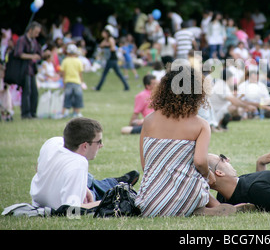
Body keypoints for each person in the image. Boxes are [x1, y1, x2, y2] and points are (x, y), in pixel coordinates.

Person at [135, 64, 241, 217]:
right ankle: (212, 207)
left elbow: (146, 165)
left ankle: (210, 208)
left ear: (164, 89)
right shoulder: (201, 125)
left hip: (149, 203)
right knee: (197, 175)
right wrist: (208, 175)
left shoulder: (148, 120)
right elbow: (199, 162)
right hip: (185, 197)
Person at [30, 117, 140, 210]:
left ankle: (111, 183)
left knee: (87, 179)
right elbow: (72, 210)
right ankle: (112, 184)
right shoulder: (78, 164)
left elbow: (38, 168)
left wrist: (83, 187)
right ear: (85, 146)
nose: (101, 145)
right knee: (91, 183)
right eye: (99, 142)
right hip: (54, 203)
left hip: (38, 200)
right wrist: (107, 201)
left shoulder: (53, 142)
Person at [14, 22, 43, 119]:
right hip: (24, 69)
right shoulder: (22, 40)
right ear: (30, 30)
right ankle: (25, 114)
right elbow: (18, 53)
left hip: (32, 69)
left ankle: (33, 113)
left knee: (34, 92)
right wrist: (32, 56)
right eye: (36, 32)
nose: (37, 35)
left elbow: (39, 52)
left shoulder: (34, 41)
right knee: (27, 91)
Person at [94, 26, 130, 91]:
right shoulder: (106, 40)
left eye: (104, 32)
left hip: (112, 59)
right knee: (118, 74)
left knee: (104, 74)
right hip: (110, 59)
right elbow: (100, 45)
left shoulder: (111, 39)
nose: (102, 33)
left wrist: (106, 45)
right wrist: (105, 44)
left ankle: (98, 88)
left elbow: (113, 48)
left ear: (107, 33)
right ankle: (127, 86)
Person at [60, 44, 84, 118]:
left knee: (67, 97)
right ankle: (77, 112)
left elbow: (63, 73)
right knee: (77, 97)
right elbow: (80, 73)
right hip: (77, 82)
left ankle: (64, 112)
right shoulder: (78, 61)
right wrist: (81, 82)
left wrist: (63, 83)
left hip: (68, 82)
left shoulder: (65, 61)